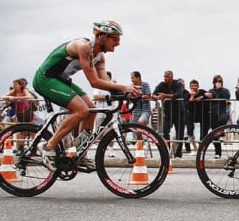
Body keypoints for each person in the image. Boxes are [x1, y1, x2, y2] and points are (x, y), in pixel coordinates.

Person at [32, 20, 141, 171]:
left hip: (61, 80)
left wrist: (125, 92)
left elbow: (104, 82)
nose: (118, 43)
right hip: (45, 79)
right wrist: (123, 87)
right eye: (114, 38)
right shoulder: (83, 47)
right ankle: (48, 147)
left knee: (91, 111)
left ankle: (78, 153)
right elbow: (94, 82)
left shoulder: (100, 57)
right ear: (102, 35)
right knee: (81, 110)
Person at [152, 71, 185, 158]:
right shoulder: (161, 84)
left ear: (171, 77)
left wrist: (165, 95)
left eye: (166, 76)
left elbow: (178, 95)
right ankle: (168, 149)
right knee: (165, 130)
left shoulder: (178, 83)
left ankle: (178, 151)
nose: (165, 78)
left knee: (180, 133)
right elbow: (154, 94)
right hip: (167, 112)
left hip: (179, 112)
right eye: (164, 76)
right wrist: (156, 97)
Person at [204, 75, 231, 159]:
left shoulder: (225, 90)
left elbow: (227, 96)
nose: (218, 83)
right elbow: (207, 97)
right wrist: (206, 95)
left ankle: (222, 133)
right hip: (213, 113)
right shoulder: (211, 91)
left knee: (222, 120)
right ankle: (218, 153)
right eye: (216, 81)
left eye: (219, 81)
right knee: (214, 133)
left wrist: (219, 90)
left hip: (222, 112)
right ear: (214, 82)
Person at [93, 71, 116, 157]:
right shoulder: (98, 87)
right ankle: (101, 149)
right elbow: (96, 97)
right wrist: (107, 97)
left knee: (111, 131)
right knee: (98, 132)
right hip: (100, 111)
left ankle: (111, 150)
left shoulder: (113, 87)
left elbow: (114, 97)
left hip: (110, 111)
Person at [185, 79, 207, 155]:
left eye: (195, 85)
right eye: (192, 86)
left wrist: (201, 98)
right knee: (190, 131)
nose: (193, 87)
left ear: (198, 86)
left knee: (203, 131)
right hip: (191, 114)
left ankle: (201, 148)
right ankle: (195, 148)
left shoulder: (202, 91)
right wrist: (192, 97)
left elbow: (209, 95)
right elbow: (186, 105)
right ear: (190, 87)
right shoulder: (188, 95)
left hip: (201, 114)